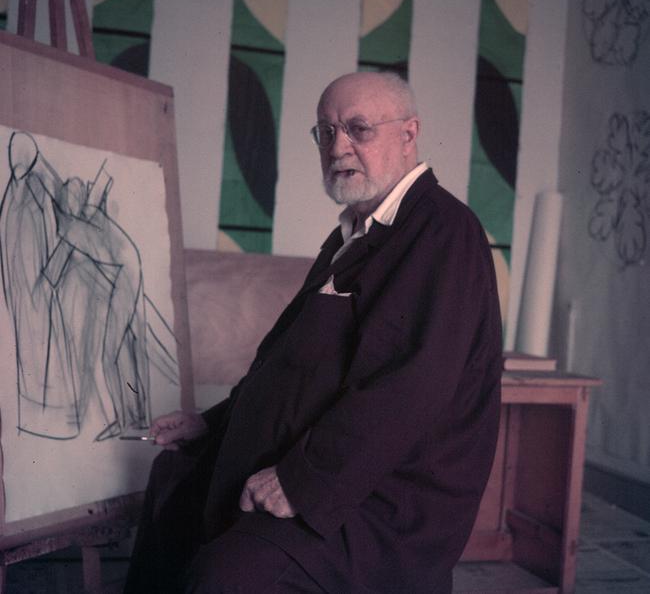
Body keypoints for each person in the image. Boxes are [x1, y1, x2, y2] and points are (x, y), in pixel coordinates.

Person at [124, 71, 502, 593]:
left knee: (225, 579)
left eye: (358, 129)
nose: (337, 147)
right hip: (332, 469)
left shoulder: (443, 230)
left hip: (380, 504)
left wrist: (303, 482)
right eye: (325, 132)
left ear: (409, 135)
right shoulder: (351, 234)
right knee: (172, 485)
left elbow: (408, 390)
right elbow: (289, 367)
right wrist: (212, 425)